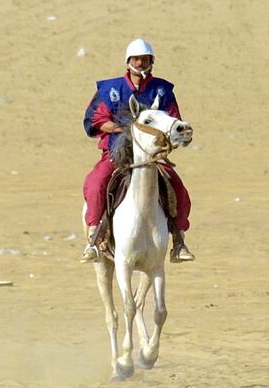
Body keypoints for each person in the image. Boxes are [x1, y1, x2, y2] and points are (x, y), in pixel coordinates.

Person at [81, 38, 194, 264]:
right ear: (128, 61)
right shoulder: (110, 89)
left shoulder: (162, 90)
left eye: (145, 59)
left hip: (151, 157)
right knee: (96, 182)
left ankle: (178, 241)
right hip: (117, 153)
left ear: (151, 61)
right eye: (136, 59)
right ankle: (93, 239)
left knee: (178, 187)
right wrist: (120, 128)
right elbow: (96, 119)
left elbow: (174, 121)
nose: (140, 63)